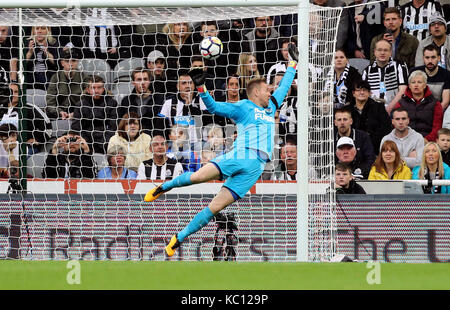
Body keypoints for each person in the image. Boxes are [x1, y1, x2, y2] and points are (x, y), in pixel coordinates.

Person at [144, 44, 298, 257]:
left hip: (256, 168)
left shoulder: (271, 106)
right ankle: (164, 187)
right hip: (241, 154)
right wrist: (201, 88)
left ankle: (178, 238)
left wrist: (292, 64)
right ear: (255, 92)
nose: (270, 90)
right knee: (197, 177)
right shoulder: (244, 106)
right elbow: (215, 107)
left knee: (213, 209)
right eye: (266, 89)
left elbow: (284, 87)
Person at [71, 75, 118, 154]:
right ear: (88, 89)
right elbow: (76, 128)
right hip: (85, 142)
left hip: (106, 143)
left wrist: (104, 142)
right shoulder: (80, 105)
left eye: (99, 87)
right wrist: (87, 143)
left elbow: (113, 127)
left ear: (103, 89)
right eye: (93, 88)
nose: (96, 91)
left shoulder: (112, 103)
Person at [0, 83, 52, 154]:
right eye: (9, 91)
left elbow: (47, 128)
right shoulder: (1, 109)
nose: (12, 94)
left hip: (25, 148)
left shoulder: (30, 108)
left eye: (15, 92)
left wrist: (37, 139)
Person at [394, 70, 443, 142]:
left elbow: (437, 127)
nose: (416, 85)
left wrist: (426, 139)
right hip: (406, 139)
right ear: (409, 86)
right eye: (413, 82)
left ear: (425, 85)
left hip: (428, 141)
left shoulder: (435, 103)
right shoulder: (401, 103)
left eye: (419, 82)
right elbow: (396, 124)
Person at [363, 39, 409, 114]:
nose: (382, 53)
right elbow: (364, 92)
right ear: (374, 52)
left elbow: (403, 90)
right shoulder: (367, 71)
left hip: (395, 110)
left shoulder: (399, 66)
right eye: (379, 50)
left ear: (390, 52)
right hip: (373, 111)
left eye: (385, 50)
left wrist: (389, 108)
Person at [348, 80, 391, 153]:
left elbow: (386, 128)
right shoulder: (348, 110)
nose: (362, 92)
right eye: (358, 90)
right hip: (352, 147)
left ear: (369, 93)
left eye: (364, 90)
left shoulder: (378, 108)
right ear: (353, 93)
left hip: (375, 148)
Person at [334, 107, 376, 173]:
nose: (342, 122)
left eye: (345, 119)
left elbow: (370, 160)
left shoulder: (363, 137)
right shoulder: (331, 139)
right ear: (335, 122)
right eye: (339, 120)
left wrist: (358, 171)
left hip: (360, 175)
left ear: (351, 121)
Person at [46, 48, 84, 120]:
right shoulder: (56, 78)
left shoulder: (84, 78)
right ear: (62, 63)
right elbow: (50, 103)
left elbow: (88, 102)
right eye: (67, 61)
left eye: (73, 61)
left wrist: (76, 113)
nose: (71, 64)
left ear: (77, 62)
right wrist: (60, 112)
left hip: (80, 115)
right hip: (59, 115)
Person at [411, 44, 450, 110]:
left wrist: (430, 113)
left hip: (438, 110)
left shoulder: (446, 74)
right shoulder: (414, 72)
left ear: (439, 58)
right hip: (417, 110)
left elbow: (445, 103)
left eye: (433, 57)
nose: (430, 61)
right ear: (423, 58)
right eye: (427, 57)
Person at [24, 26, 59, 90]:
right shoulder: (27, 42)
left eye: (43, 28)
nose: (39, 31)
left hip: (48, 76)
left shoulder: (53, 43)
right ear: (33, 31)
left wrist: (46, 53)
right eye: (37, 28)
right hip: (30, 76)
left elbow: (57, 63)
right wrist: (30, 52)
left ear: (48, 30)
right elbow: (22, 64)